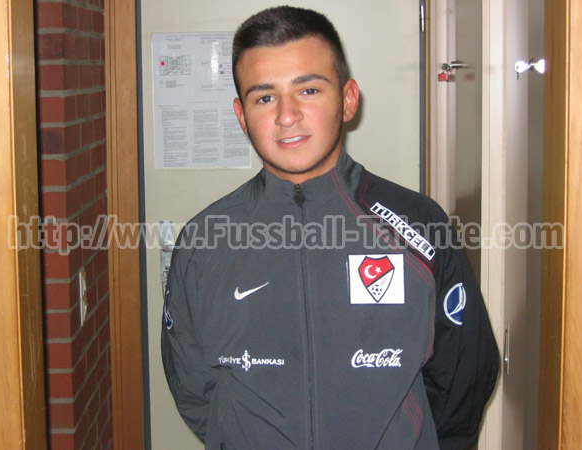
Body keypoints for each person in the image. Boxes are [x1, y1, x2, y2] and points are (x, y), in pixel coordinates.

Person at [162, 6, 499, 449]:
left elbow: (464, 374)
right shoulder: (204, 241)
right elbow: (193, 386)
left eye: (308, 90)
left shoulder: (419, 225)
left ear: (348, 99)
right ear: (241, 116)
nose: (287, 115)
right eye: (264, 97)